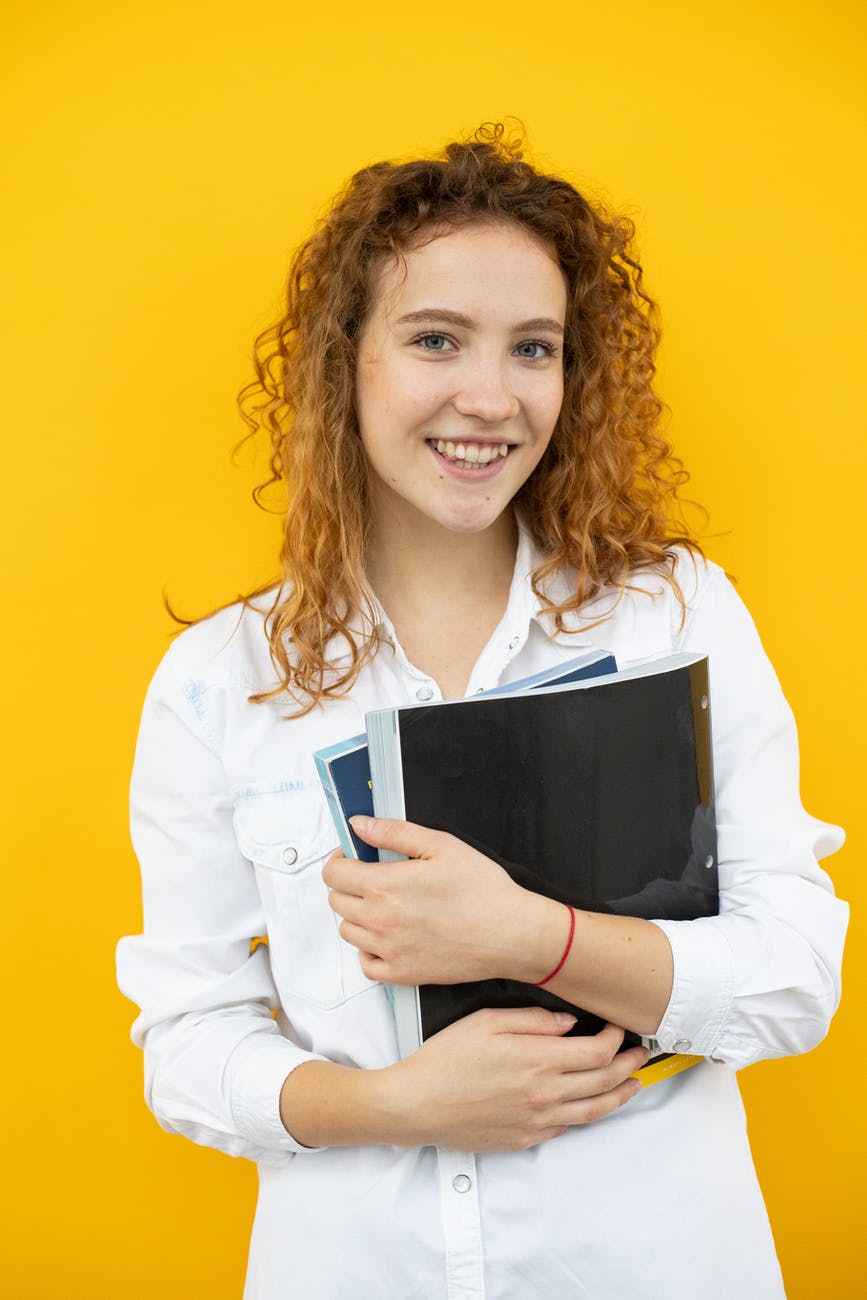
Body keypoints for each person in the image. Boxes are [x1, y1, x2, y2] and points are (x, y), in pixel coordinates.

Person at [117, 124, 848, 1299]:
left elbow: (798, 975)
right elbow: (188, 1040)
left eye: (535, 348)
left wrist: (526, 937)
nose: (491, 397)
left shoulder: (671, 617)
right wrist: (390, 1105)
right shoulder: (221, 678)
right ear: (344, 361)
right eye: (436, 339)